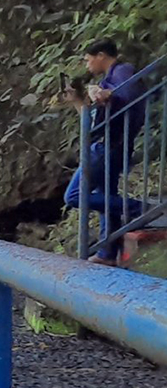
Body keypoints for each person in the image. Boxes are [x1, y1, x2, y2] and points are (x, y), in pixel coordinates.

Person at [63, 39, 147, 265]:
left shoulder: (122, 71)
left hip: (109, 146)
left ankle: (139, 208)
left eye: (89, 60)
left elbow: (124, 96)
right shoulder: (109, 79)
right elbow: (92, 123)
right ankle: (107, 254)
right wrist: (78, 101)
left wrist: (103, 93)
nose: (88, 65)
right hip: (109, 143)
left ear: (101, 55)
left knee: (73, 196)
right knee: (106, 200)